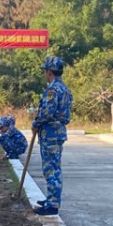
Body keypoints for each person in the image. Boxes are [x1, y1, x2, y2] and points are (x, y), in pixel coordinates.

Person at [31, 56, 72, 216]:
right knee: (54, 167)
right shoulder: (65, 88)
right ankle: (52, 199)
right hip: (58, 132)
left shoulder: (53, 89)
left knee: (51, 169)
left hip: (50, 133)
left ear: (49, 72)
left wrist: (36, 123)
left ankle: (52, 205)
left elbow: (47, 112)